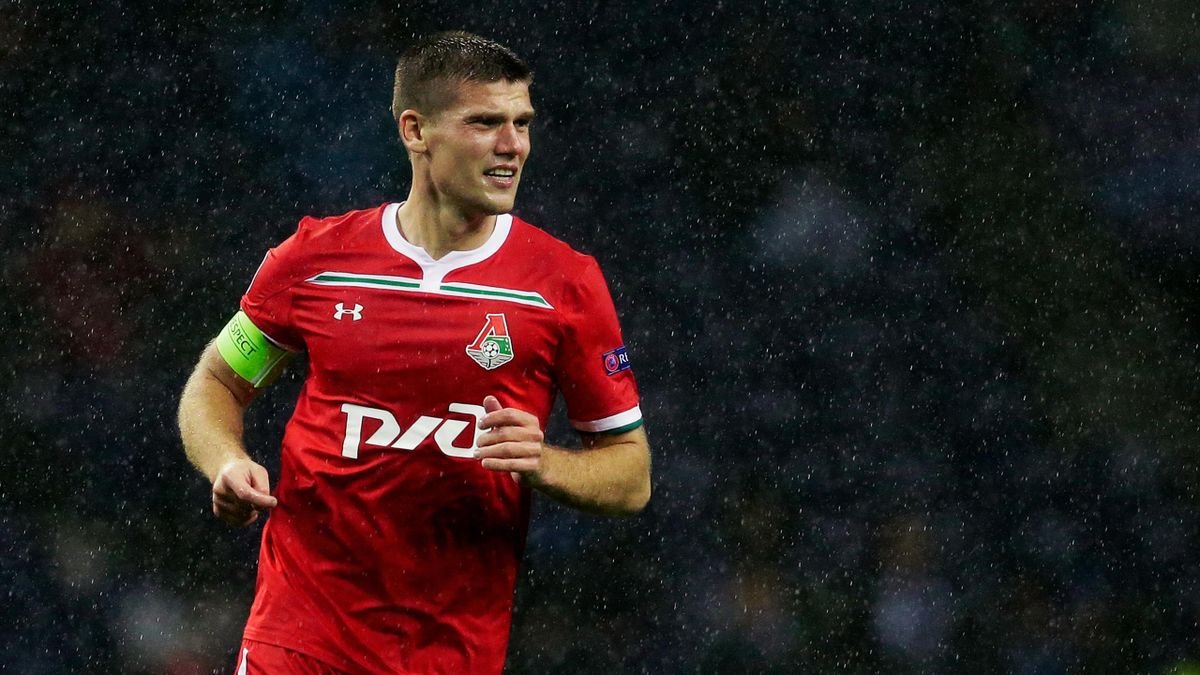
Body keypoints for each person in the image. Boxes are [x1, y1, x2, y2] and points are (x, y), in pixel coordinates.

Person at [177, 31, 651, 675]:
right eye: (484, 122)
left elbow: (631, 476)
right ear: (415, 130)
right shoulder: (317, 260)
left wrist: (545, 462)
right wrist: (227, 461)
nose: (512, 145)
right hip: (300, 640)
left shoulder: (563, 284)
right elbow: (216, 382)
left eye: (521, 123)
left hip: (452, 653)